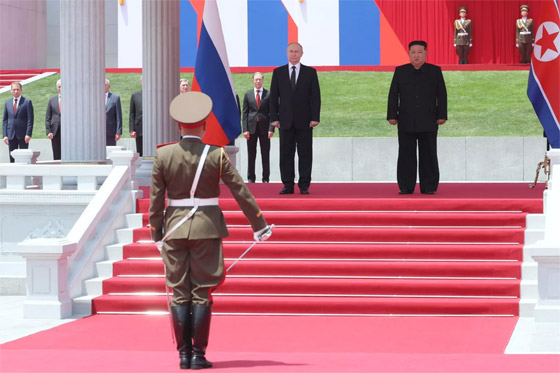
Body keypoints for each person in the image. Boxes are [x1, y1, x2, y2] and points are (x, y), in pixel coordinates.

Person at [149, 91, 271, 370]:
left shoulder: (163, 154)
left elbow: (156, 200)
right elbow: (240, 189)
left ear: (179, 126)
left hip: (174, 231)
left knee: (180, 292)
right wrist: (259, 224)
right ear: (203, 124)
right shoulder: (216, 154)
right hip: (207, 229)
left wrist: (156, 233)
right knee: (202, 293)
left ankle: (183, 355)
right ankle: (198, 355)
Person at [387, 40, 448, 195]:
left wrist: (442, 115)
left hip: (429, 120)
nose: (416, 55)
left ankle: (429, 186)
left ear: (426, 54)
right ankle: (406, 186)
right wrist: (392, 115)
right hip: (406, 120)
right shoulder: (400, 71)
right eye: (413, 52)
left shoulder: (435, 71)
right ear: (409, 54)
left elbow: (441, 94)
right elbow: (393, 94)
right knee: (406, 154)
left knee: (429, 153)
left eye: (420, 52)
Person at [269, 42, 321, 195]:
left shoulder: (310, 72)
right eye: (291, 51)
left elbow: (316, 97)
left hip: (305, 121)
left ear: (301, 54)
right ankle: (287, 184)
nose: (293, 54)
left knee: (305, 153)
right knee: (286, 153)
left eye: (296, 51)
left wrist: (315, 117)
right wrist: (274, 118)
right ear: (287, 53)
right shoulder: (278, 73)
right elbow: (273, 98)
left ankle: (304, 185)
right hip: (284, 121)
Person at [242, 72, 274, 183]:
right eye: (256, 79)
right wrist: (245, 129)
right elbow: (245, 113)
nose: (258, 81)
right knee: (251, 154)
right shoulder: (248, 94)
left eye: (260, 79)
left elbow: (272, 113)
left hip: (265, 129)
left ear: (263, 80)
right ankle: (251, 178)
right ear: (253, 80)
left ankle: (266, 178)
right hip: (251, 129)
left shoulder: (269, 94)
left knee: (265, 154)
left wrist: (271, 128)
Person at [3, 82, 34, 163]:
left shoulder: (27, 102)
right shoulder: (7, 103)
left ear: (21, 90)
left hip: (23, 135)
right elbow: (5, 120)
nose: (16, 91)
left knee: (24, 158)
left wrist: (28, 134)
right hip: (11, 135)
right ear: (11, 91)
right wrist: (5, 135)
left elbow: (30, 119)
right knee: (12, 158)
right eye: (14, 90)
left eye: (17, 89)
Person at [45, 79, 62, 160]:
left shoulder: (70, 99)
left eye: (62, 87)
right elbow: (48, 117)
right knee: (56, 152)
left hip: (67, 131)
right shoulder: (52, 100)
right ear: (56, 88)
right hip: (55, 131)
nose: (60, 88)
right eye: (59, 87)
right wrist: (49, 131)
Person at [104, 78, 122, 146]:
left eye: (105, 85)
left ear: (109, 86)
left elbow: (118, 116)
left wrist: (118, 132)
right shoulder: (95, 97)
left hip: (111, 132)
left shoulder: (115, 98)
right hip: (98, 132)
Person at [129, 77, 143, 156]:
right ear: (141, 82)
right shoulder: (135, 96)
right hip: (139, 128)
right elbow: (132, 113)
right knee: (140, 150)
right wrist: (132, 129)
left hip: (151, 128)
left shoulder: (154, 94)